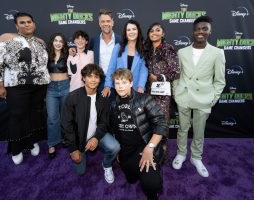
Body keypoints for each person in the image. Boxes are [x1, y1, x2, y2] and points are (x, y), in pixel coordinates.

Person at [0, 12, 50, 165]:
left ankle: (32, 141)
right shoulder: (6, 38)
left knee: (35, 114)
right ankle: (16, 148)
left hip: (39, 85)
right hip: (17, 86)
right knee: (17, 116)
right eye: (22, 22)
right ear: (16, 25)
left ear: (34, 24)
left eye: (29, 21)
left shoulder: (40, 42)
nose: (26, 24)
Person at [172, 16, 226, 177]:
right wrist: (176, 92)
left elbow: (220, 80)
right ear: (193, 31)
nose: (200, 32)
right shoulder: (182, 52)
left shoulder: (217, 53)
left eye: (204, 29)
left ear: (210, 31)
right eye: (197, 29)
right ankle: (181, 154)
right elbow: (176, 75)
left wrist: (212, 98)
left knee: (199, 130)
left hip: (204, 98)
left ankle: (196, 157)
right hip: (183, 97)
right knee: (182, 128)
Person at [109, 68, 167, 200]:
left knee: (152, 185)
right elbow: (114, 130)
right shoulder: (113, 105)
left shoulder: (144, 99)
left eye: (124, 82)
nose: (120, 86)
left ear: (131, 83)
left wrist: (150, 147)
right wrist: (118, 151)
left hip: (144, 149)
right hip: (125, 152)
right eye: (117, 83)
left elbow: (161, 124)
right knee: (131, 179)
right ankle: (132, 171)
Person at [61, 63, 120, 184]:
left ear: (100, 79)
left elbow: (104, 122)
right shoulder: (72, 97)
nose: (93, 79)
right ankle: (81, 153)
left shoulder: (103, 98)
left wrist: (96, 138)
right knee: (80, 171)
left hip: (97, 134)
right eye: (89, 76)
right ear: (83, 78)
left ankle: (107, 165)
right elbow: (66, 126)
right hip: (79, 140)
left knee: (115, 147)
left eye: (96, 76)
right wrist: (73, 149)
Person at [144, 22, 180, 162]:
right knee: (148, 123)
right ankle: (149, 152)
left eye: (157, 30)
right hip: (147, 93)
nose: (154, 33)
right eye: (151, 30)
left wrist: (158, 78)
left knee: (162, 124)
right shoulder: (146, 49)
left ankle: (161, 157)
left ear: (163, 34)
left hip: (162, 94)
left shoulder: (168, 48)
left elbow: (175, 70)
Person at [102, 19, 148, 98]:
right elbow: (111, 68)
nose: (131, 32)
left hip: (136, 89)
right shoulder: (118, 47)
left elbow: (143, 70)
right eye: (128, 30)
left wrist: (141, 86)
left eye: (134, 29)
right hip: (119, 89)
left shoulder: (143, 49)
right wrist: (107, 85)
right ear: (126, 33)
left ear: (138, 31)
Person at [46, 33, 70, 158]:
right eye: (56, 40)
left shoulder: (68, 55)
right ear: (52, 42)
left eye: (61, 41)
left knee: (65, 116)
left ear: (63, 43)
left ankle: (66, 138)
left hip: (66, 86)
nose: (58, 43)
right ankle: (52, 143)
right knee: (52, 117)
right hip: (51, 89)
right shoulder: (46, 55)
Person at [89, 9, 121, 92]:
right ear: (99, 24)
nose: (106, 24)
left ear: (112, 22)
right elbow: (86, 54)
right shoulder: (94, 40)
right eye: (103, 21)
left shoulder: (120, 40)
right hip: (99, 81)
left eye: (108, 21)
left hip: (117, 80)